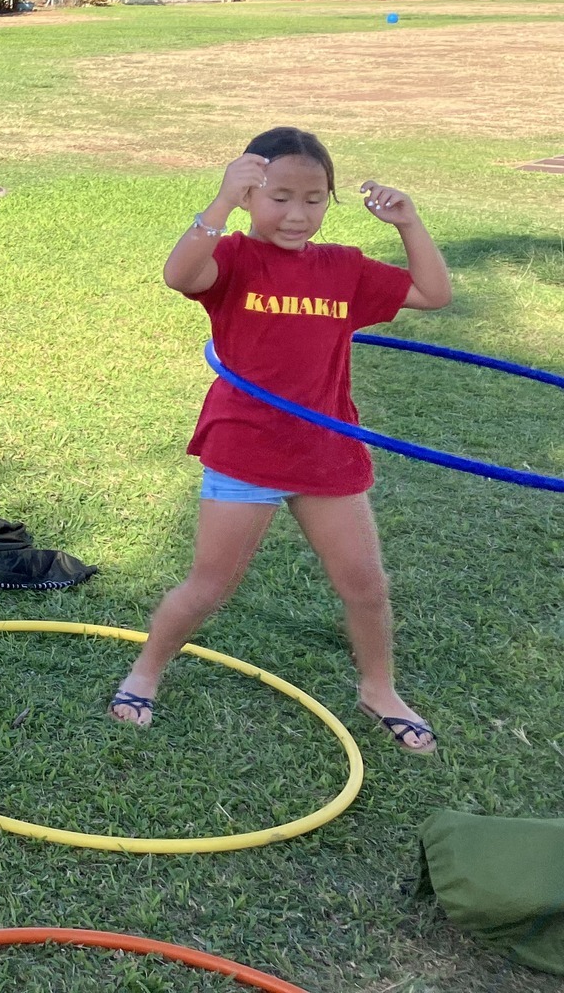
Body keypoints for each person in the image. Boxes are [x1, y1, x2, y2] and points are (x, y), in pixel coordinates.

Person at [111, 126, 452, 753]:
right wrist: (219, 201)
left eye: (315, 199)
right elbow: (179, 275)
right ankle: (145, 671)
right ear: (250, 195)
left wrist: (409, 223)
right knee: (209, 587)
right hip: (246, 449)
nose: (298, 214)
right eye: (280, 197)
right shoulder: (235, 258)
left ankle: (379, 689)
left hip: (325, 454)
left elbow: (434, 293)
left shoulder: (344, 268)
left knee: (366, 585)